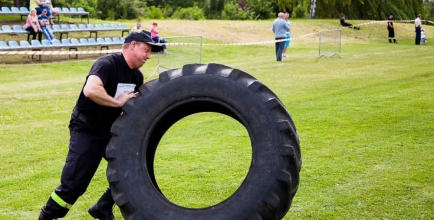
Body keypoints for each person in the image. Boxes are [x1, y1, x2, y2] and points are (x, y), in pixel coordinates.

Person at [38, 30, 163, 220]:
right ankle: (47, 216)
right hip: (87, 129)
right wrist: (117, 102)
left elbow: (132, 108)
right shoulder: (107, 64)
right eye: (146, 50)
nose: (148, 56)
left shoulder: (136, 77)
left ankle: (102, 207)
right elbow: (90, 90)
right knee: (74, 184)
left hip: (110, 131)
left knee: (132, 170)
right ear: (133, 45)